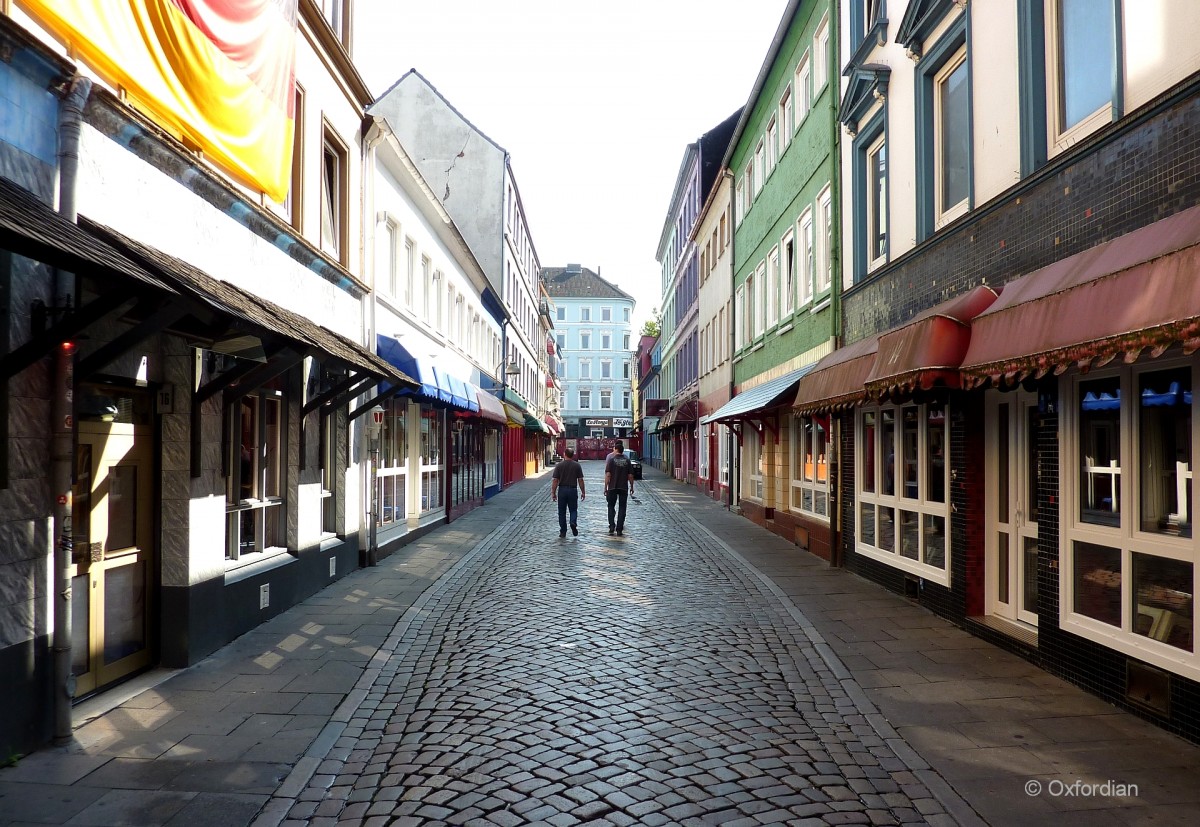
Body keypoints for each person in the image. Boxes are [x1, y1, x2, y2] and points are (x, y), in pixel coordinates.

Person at [550, 447, 585, 537]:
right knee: (573, 509)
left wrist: (553, 492)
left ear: (564, 454)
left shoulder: (559, 465)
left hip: (562, 490)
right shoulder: (577, 465)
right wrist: (583, 491)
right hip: (573, 490)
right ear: (573, 455)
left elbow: (555, 480)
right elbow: (580, 480)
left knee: (561, 511)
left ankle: (563, 531)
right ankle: (573, 522)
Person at [604, 440, 635, 536]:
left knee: (610, 506)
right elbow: (630, 475)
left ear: (616, 449)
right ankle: (619, 528)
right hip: (623, 487)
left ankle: (612, 525)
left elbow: (608, 475)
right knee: (622, 507)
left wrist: (605, 487)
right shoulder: (627, 460)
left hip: (612, 487)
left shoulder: (611, 460)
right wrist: (632, 486)